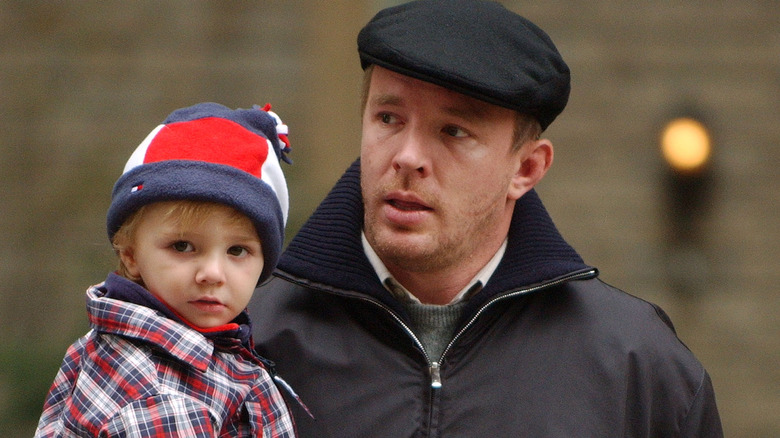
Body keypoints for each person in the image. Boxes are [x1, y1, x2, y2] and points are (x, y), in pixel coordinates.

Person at [249, 0, 723, 436]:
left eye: (453, 131)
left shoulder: (637, 370)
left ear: (527, 168)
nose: (408, 157)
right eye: (388, 118)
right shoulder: (245, 342)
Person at [35, 103, 299, 437]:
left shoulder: (211, 355)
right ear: (130, 254)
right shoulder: (159, 396)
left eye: (237, 250)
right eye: (183, 247)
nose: (212, 273)